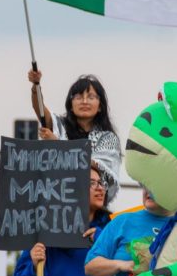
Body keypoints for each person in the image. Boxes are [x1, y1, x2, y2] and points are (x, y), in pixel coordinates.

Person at [27, 69, 122, 202]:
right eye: (78, 97)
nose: (84, 101)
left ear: (100, 106)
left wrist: (59, 145)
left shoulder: (108, 138)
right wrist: (36, 85)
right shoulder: (60, 127)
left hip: (90, 208)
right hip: (57, 202)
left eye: (91, 97)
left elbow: (97, 166)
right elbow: (40, 109)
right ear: (71, 105)